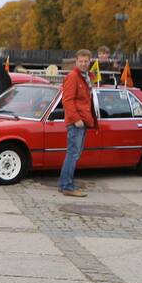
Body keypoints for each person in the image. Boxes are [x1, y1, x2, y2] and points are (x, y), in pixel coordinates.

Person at [58, 49, 95, 197]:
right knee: (73, 154)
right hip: (77, 122)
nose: (84, 64)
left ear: (89, 62)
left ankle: (64, 184)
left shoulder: (85, 77)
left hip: (83, 120)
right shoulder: (73, 77)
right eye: (81, 61)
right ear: (76, 61)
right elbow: (67, 100)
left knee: (74, 153)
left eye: (86, 61)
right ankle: (67, 186)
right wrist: (76, 119)